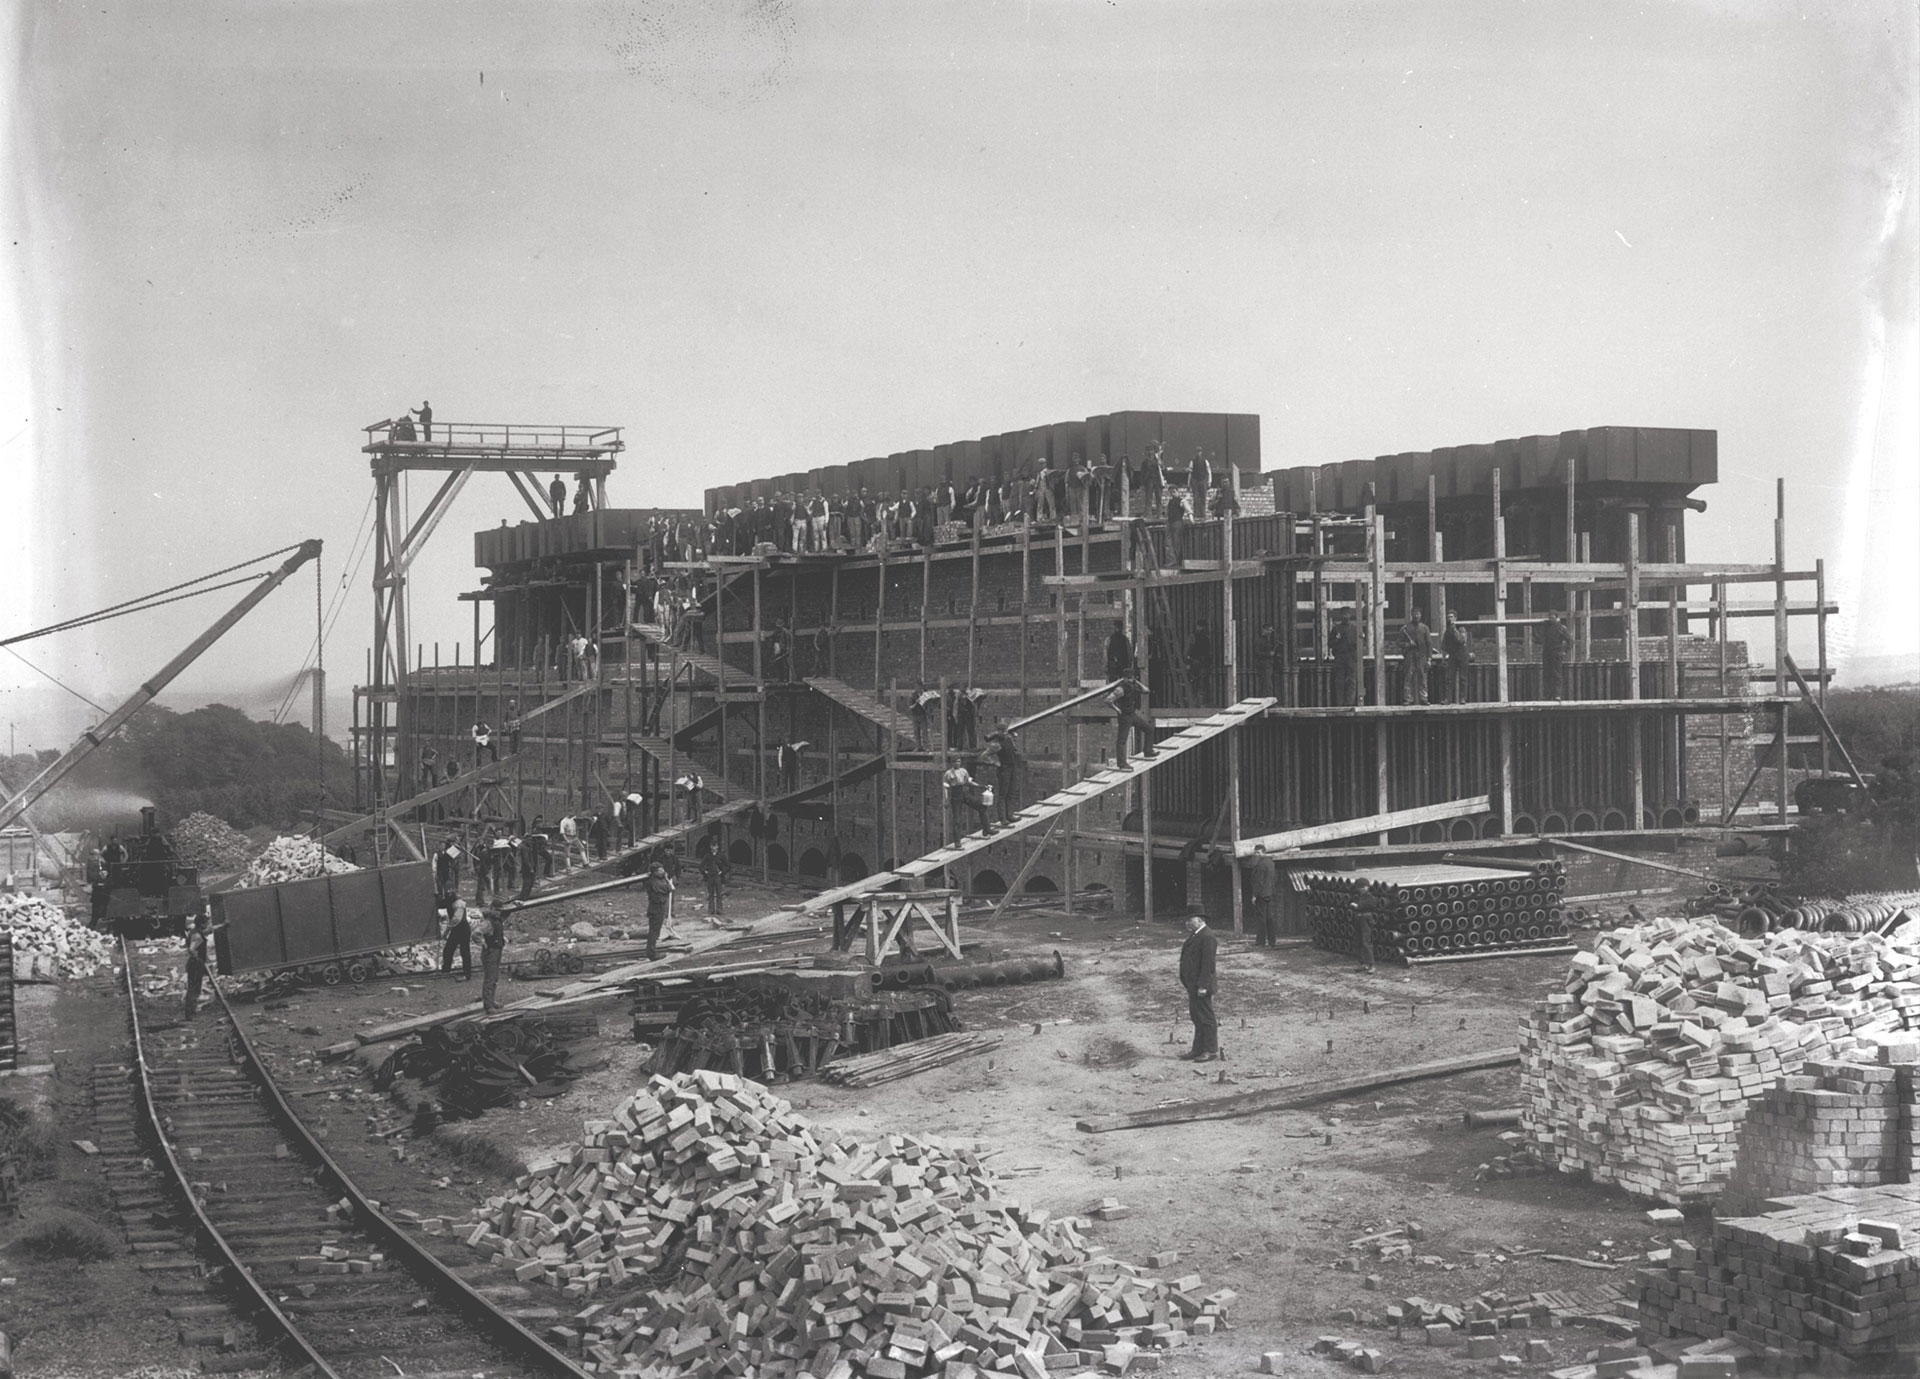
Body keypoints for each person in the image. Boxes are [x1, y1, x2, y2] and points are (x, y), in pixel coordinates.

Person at [1178, 914, 1220, 1061]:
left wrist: (1203, 985)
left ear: (1200, 920)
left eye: (1190, 920)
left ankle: (1211, 1050)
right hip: (1193, 984)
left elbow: (1208, 964)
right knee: (1197, 1017)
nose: (1187, 923)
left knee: (1206, 1018)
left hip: (1201, 985)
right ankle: (1198, 1049)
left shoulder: (1207, 936)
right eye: (1187, 920)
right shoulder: (1196, 934)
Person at [1110, 675, 1157, 770]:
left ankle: (1148, 752)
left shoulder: (1134, 686)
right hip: (1124, 716)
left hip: (1132, 715)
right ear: (1125, 679)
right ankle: (1122, 764)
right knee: (1122, 740)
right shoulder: (1120, 689)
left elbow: (1146, 690)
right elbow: (1108, 700)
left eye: (1132, 678)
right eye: (1129, 678)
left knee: (1149, 729)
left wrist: (1137, 682)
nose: (1130, 681)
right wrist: (1117, 709)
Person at [182, 910, 222, 1022]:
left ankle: (191, 1011)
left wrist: (222, 925)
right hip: (196, 964)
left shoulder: (197, 931)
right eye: (207, 922)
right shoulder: (197, 936)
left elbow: (210, 930)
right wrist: (197, 958)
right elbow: (191, 949)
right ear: (202, 924)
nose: (208, 924)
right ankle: (189, 1014)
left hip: (195, 963)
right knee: (194, 989)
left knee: (194, 988)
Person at [479, 902, 509, 1012]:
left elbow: (507, 913)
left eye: (500, 910)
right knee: (490, 978)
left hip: (496, 951)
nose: (498, 912)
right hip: (490, 952)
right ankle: (488, 1005)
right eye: (496, 910)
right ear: (491, 908)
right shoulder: (488, 922)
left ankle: (491, 1001)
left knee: (494, 978)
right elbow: (476, 933)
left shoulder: (497, 920)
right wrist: (482, 943)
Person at [1245, 850, 1279, 946]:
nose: (1256, 854)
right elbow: (1273, 879)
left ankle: (1261, 941)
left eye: (1258, 852)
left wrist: (1254, 895)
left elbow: (1259, 882)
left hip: (1261, 894)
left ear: (1263, 852)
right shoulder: (1271, 863)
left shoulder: (1261, 865)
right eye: (1255, 852)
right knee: (1269, 917)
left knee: (1261, 918)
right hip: (1269, 893)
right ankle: (1272, 941)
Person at [986, 729, 1021, 823]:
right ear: (998, 732)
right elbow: (985, 755)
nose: (1004, 733)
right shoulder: (996, 744)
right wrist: (995, 762)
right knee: (1003, 794)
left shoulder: (1009, 739)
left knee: (1011, 792)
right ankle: (1002, 818)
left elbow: (1014, 749)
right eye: (1001, 731)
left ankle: (1010, 815)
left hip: (1012, 767)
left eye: (1005, 731)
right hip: (1004, 769)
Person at [643, 861, 675, 961]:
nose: (663, 872)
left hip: (657, 908)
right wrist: (666, 878)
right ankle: (652, 953)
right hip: (656, 909)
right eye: (660, 871)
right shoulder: (656, 883)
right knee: (654, 932)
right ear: (655, 872)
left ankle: (651, 951)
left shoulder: (654, 880)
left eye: (662, 870)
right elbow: (669, 888)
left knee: (655, 931)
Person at [1402, 609, 1434, 706]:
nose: (1416, 616)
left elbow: (1429, 644)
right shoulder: (1406, 628)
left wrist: (1429, 659)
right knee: (1408, 677)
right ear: (1411, 615)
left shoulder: (1425, 628)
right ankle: (1408, 699)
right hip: (1410, 656)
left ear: (1421, 615)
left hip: (1422, 656)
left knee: (1423, 678)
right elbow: (1398, 642)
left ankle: (1424, 698)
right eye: (1414, 614)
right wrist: (1408, 644)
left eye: (1418, 614)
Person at [1441, 610, 1474, 704]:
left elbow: (1460, 640)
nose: (1449, 619)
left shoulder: (1461, 629)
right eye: (1448, 617)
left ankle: (1463, 698)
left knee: (1463, 678)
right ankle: (1448, 699)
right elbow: (1444, 646)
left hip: (1463, 655)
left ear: (1455, 618)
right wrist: (1443, 659)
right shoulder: (1447, 631)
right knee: (1449, 678)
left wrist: (1453, 628)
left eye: (1451, 617)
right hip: (1453, 655)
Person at [1330, 610, 1361, 707]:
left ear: (1350, 615)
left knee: (1351, 681)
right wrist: (1337, 640)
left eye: (1347, 614)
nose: (1345, 616)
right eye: (1343, 614)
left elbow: (1360, 643)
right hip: (1340, 657)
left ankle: (1349, 703)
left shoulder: (1354, 629)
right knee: (1339, 681)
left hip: (1351, 657)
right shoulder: (1336, 629)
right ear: (1340, 616)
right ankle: (1340, 703)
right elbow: (1330, 643)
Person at [1541, 610, 1574, 700]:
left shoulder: (1561, 628)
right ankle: (1547, 695)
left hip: (1556, 654)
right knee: (1546, 674)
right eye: (1549, 618)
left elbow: (1570, 641)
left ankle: (1557, 695)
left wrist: (1564, 652)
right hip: (1547, 654)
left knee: (1556, 675)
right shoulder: (1546, 627)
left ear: (1557, 618)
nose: (1550, 619)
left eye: (1552, 618)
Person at [440, 897, 474, 978]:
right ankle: (446, 970)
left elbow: (456, 919)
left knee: (464, 951)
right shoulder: (453, 902)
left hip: (462, 929)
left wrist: (447, 931)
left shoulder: (458, 903)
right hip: (457, 929)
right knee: (448, 950)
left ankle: (466, 973)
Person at [1185, 618, 1216, 705]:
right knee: (1198, 684)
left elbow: (1187, 651)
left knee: (1199, 684)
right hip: (1197, 663)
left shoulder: (1198, 637)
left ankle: (1197, 703)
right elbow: (1188, 651)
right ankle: (1196, 703)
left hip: (1200, 664)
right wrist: (1188, 662)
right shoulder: (1200, 638)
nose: (1201, 628)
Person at [1252, 623, 1281, 697]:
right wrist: (1268, 654)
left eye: (1271, 630)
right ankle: (1269, 699)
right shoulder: (1259, 641)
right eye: (1269, 630)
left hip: (1268, 665)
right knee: (1267, 684)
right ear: (1264, 630)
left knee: (1266, 684)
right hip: (1264, 665)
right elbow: (1257, 653)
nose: (1270, 632)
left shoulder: (1268, 640)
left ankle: (1266, 698)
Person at [909, 686, 941, 751]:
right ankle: (918, 746)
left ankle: (926, 747)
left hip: (922, 715)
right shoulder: (912, 696)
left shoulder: (924, 694)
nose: (919, 689)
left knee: (924, 731)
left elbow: (927, 706)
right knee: (916, 731)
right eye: (918, 687)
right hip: (915, 715)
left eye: (920, 687)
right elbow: (910, 707)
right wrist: (916, 702)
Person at [1163, 490, 1189, 568]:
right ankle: (1172, 561)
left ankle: (1177, 561)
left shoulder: (1182, 501)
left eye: (1174, 492)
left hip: (1177, 522)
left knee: (1177, 542)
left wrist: (1191, 517)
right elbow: (1166, 512)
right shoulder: (1170, 502)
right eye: (1171, 492)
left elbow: (1188, 509)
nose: (1172, 494)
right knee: (1168, 543)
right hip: (1170, 522)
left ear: (1178, 492)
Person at [1140, 442, 1167, 517]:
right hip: (1149, 481)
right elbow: (1142, 474)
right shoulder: (1145, 462)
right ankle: (1147, 514)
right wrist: (1142, 483)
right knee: (1148, 498)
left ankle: (1159, 514)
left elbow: (1164, 470)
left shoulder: (1159, 461)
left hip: (1158, 481)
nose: (1150, 452)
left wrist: (1161, 465)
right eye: (1148, 450)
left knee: (1159, 498)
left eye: (1151, 450)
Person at [433, 837, 461, 903]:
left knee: (447, 883)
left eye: (444, 845)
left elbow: (451, 859)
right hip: (439, 870)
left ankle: (447, 896)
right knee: (440, 884)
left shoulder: (447, 853)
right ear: (439, 846)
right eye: (441, 845)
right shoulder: (436, 854)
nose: (443, 847)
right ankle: (441, 896)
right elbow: (434, 863)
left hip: (446, 870)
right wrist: (434, 871)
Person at [700, 849, 726, 918]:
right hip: (710, 876)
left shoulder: (721, 856)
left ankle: (719, 909)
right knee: (710, 894)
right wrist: (705, 872)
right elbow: (701, 866)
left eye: (715, 846)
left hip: (718, 877)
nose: (713, 848)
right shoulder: (707, 856)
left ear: (717, 847)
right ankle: (711, 909)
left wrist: (722, 872)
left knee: (719, 894)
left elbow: (728, 866)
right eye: (712, 846)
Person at [1188, 447, 1212, 517]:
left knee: (1203, 498)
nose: (1198, 453)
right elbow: (1190, 473)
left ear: (1201, 452)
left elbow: (1209, 472)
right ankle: (1196, 514)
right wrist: (1188, 483)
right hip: (1195, 481)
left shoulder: (1205, 461)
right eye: (1197, 451)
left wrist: (1209, 481)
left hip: (1203, 480)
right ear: (1195, 452)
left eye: (1199, 451)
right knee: (1195, 499)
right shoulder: (1192, 461)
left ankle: (1203, 514)